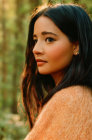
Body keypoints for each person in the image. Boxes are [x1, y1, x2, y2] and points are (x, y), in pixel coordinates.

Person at [21, 3, 92, 140]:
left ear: (76, 46)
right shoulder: (80, 94)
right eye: (35, 40)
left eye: (49, 39)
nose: (36, 49)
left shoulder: (71, 99)